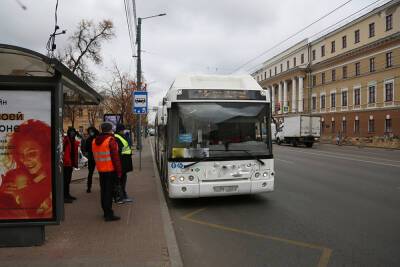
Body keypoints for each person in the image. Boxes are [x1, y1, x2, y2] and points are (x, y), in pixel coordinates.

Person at [0, 119, 52, 219]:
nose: (24, 160)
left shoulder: (52, 179)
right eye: (20, 155)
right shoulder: (13, 176)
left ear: (45, 152)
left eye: (31, 154)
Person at [92, 122, 122, 221]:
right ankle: (109, 214)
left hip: (101, 170)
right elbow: (115, 158)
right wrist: (119, 172)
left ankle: (105, 212)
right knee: (109, 192)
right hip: (110, 170)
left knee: (103, 191)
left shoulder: (94, 141)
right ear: (110, 130)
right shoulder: (111, 140)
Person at [114, 124, 133, 203]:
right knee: (120, 180)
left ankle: (122, 195)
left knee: (122, 180)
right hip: (122, 163)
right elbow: (120, 151)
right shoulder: (117, 137)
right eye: (123, 130)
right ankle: (120, 197)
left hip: (123, 162)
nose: (124, 131)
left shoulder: (120, 136)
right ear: (120, 130)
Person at [63, 127, 80, 203]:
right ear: (69, 132)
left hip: (71, 163)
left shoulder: (73, 141)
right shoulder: (66, 140)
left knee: (68, 180)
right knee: (65, 181)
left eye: (73, 132)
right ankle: (64, 196)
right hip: (66, 164)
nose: (72, 133)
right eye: (71, 132)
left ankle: (67, 194)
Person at [85, 126, 99, 193]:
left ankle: (102, 187)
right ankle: (88, 187)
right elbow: (86, 149)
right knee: (90, 173)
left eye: (92, 131)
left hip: (99, 158)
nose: (91, 133)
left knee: (101, 173)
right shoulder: (88, 139)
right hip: (92, 158)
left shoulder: (98, 138)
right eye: (90, 131)